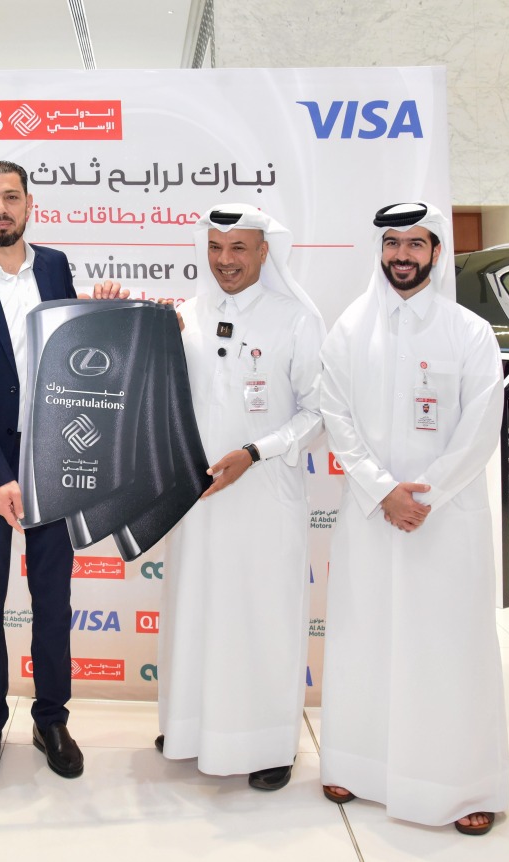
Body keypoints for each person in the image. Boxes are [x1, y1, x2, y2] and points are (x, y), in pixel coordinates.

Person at [0, 160, 123, 784]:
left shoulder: (57, 266)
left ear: (29, 203)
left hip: (53, 460)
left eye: (11, 197)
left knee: (52, 599)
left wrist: (107, 317)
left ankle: (51, 718)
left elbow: (73, 356)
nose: (1, 208)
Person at [319, 201, 508, 835]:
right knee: (365, 638)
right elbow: (336, 417)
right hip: (373, 517)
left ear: (436, 252)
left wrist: (423, 497)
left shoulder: (468, 331)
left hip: (443, 522)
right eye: (392, 243)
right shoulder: (349, 329)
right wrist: (382, 491)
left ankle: (463, 785)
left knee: (447, 648)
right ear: (380, 250)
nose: (402, 255)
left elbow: (482, 425)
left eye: (415, 244)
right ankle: (356, 763)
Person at [157, 204, 324, 791]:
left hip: (264, 495)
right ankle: (190, 726)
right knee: (197, 606)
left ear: (263, 253)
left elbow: (317, 412)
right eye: (216, 247)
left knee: (261, 613)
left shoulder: (297, 320)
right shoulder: (185, 316)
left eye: (239, 249)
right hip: (198, 497)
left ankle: (268, 742)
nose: (225, 261)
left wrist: (254, 452)